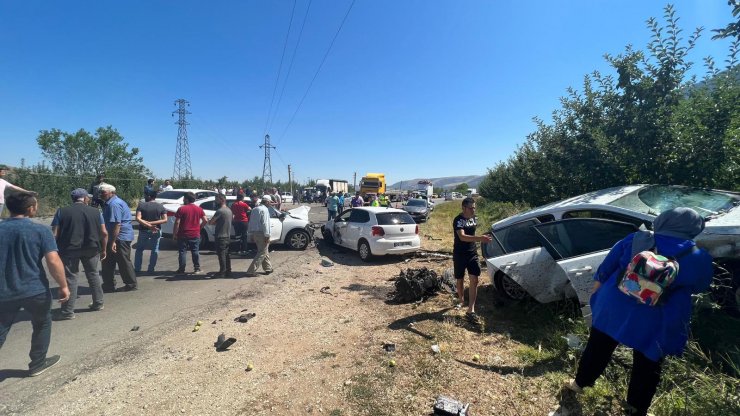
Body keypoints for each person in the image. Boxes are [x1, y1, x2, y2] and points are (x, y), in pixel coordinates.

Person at [565, 208, 712, 416]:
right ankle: (636, 409)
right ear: (696, 228)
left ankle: (580, 383)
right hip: (657, 317)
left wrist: (597, 300)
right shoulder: (699, 256)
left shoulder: (636, 238)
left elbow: (605, 268)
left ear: (662, 220)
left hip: (615, 304)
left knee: (598, 346)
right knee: (648, 362)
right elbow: (700, 286)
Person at [0, 191, 69, 376]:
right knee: (42, 323)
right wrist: (63, 285)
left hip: (3, 291)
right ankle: (37, 363)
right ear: (31, 209)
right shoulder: (40, 230)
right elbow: (53, 261)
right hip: (34, 289)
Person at [51, 188, 108, 320]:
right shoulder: (96, 211)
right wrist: (104, 249)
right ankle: (98, 303)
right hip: (92, 248)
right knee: (93, 274)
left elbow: (55, 233)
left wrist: (53, 251)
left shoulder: (62, 211)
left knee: (71, 278)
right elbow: (104, 233)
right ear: (85, 198)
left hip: (69, 249)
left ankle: (68, 311)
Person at [453, 197, 492, 325]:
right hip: (459, 254)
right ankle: (461, 300)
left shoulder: (475, 219)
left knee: (474, 280)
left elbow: (473, 234)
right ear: (464, 208)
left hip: (472, 254)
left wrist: (484, 237)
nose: (473, 210)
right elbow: (462, 237)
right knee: (460, 279)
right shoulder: (458, 220)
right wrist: (480, 238)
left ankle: (471, 309)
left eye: (474, 207)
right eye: (471, 208)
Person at [100, 184, 138, 292]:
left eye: (103, 192)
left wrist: (112, 241)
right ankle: (108, 284)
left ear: (111, 192)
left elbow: (117, 224)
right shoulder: (110, 203)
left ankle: (131, 284)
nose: (101, 194)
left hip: (119, 237)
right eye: (100, 192)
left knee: (123, 261)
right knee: (107, 261)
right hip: (115, 236)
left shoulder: (114, 204)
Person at [172, 192, 207, 275]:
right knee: (195, 251)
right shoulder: (199, 209)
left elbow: (177, 222)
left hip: (183, 234)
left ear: (187, 199)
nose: (183, 200)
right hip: (195, 234)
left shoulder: (182, 209)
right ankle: (197, 268)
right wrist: (199, 227)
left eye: (184, 198)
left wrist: (174, 234)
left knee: (182, 252)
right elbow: (205, 220)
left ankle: (181, 269)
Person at [134, 190, 167, 274]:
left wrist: (148, 224)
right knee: (155, 249)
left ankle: (137, 268)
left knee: (139, 249)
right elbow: (165, 220)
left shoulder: (141, 205)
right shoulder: (160, 207)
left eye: (145, 195)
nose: (144, 197)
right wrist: (152, 225)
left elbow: (138, 218)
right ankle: (151, 269)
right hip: (156, 230)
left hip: (144, 230)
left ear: (149, 196)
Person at [245, 195, 273, 277]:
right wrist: (267, 235)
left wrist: (250, 234)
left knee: (264, 250)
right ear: (267, 201)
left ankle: (268, 268)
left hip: (256, 233)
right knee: (262, 252)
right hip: (262, 233)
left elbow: (251, 222)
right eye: (270, 202)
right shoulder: (264, 210)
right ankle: (251, 270)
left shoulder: (255, 209)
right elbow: (265, 223)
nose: (270, 204)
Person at [208, 194, 233, 278]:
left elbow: (211, 222)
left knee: (221, 255)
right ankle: (228, 270)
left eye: (217, 200)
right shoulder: (229, 210)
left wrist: (210, 221)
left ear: (222, 200)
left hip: (220, 236)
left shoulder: (220, 211)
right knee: (226, 254)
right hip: (227, 235)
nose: (215, 202)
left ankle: (222, 272)